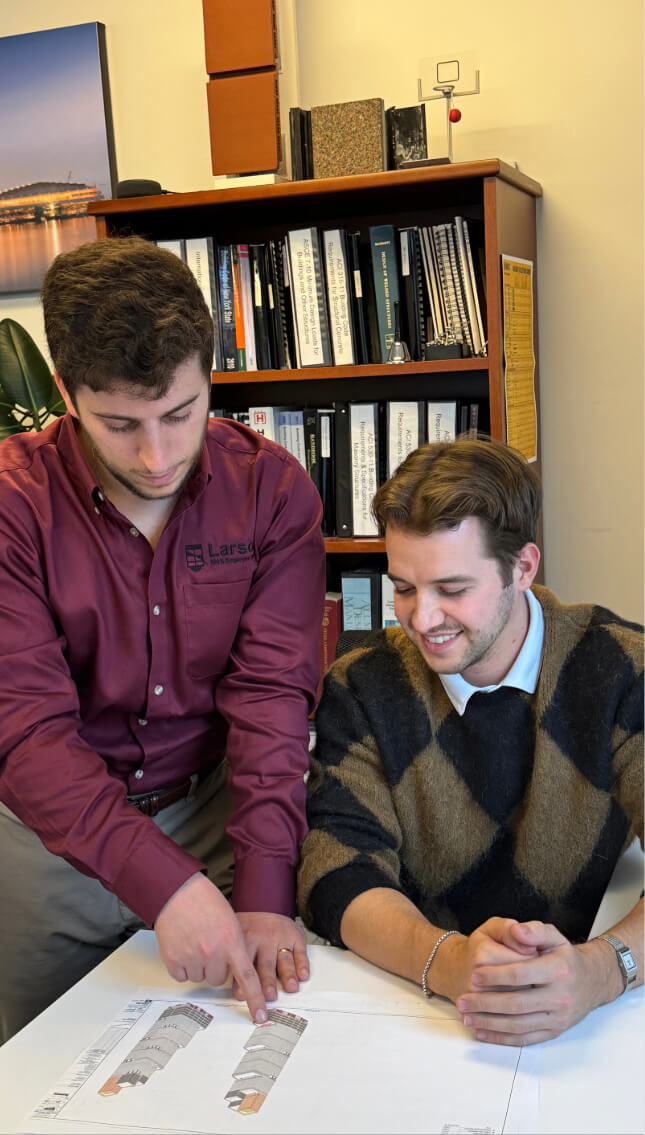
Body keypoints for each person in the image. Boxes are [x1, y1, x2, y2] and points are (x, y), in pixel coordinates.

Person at [0, 236, 326, 1043]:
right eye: (120, 424)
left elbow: (272, 700)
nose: (156, 455)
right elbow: (25, 732)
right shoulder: (12, 506)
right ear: (67, 395)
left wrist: (262, 883)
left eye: (180, 414)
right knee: (42, 1067)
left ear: (209, 378)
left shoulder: (272, 490)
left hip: (214, 813)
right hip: (46, 842)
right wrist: (163, 885)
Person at [298, 436, 643, 1046]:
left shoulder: (618, 669)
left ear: (524, 567)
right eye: (403, 587)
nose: (422, 619)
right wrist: (450, 963)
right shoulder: (362, 684)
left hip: (582, 1025)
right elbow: (337, 874)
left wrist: (601, 971)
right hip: (411, 1005)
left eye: (452, 590)